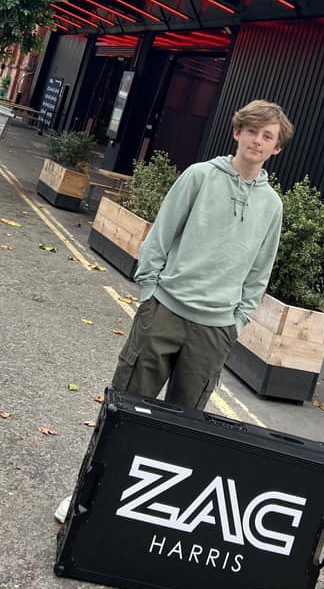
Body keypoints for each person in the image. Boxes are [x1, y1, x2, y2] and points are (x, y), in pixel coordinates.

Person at [55, 99, 293, 523]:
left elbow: (261, 270)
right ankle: (85, 498)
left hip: (215, 330)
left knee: (183, 429)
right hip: (164, 311)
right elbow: (161, 237)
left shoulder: (272, 205)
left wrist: (237, 321)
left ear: (276, 148)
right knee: (125, 410)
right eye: (252, 131)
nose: (258, 140)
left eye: (268, 136)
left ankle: (140, 509)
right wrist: (150, 293)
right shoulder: (200, 177)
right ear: (236, 132)